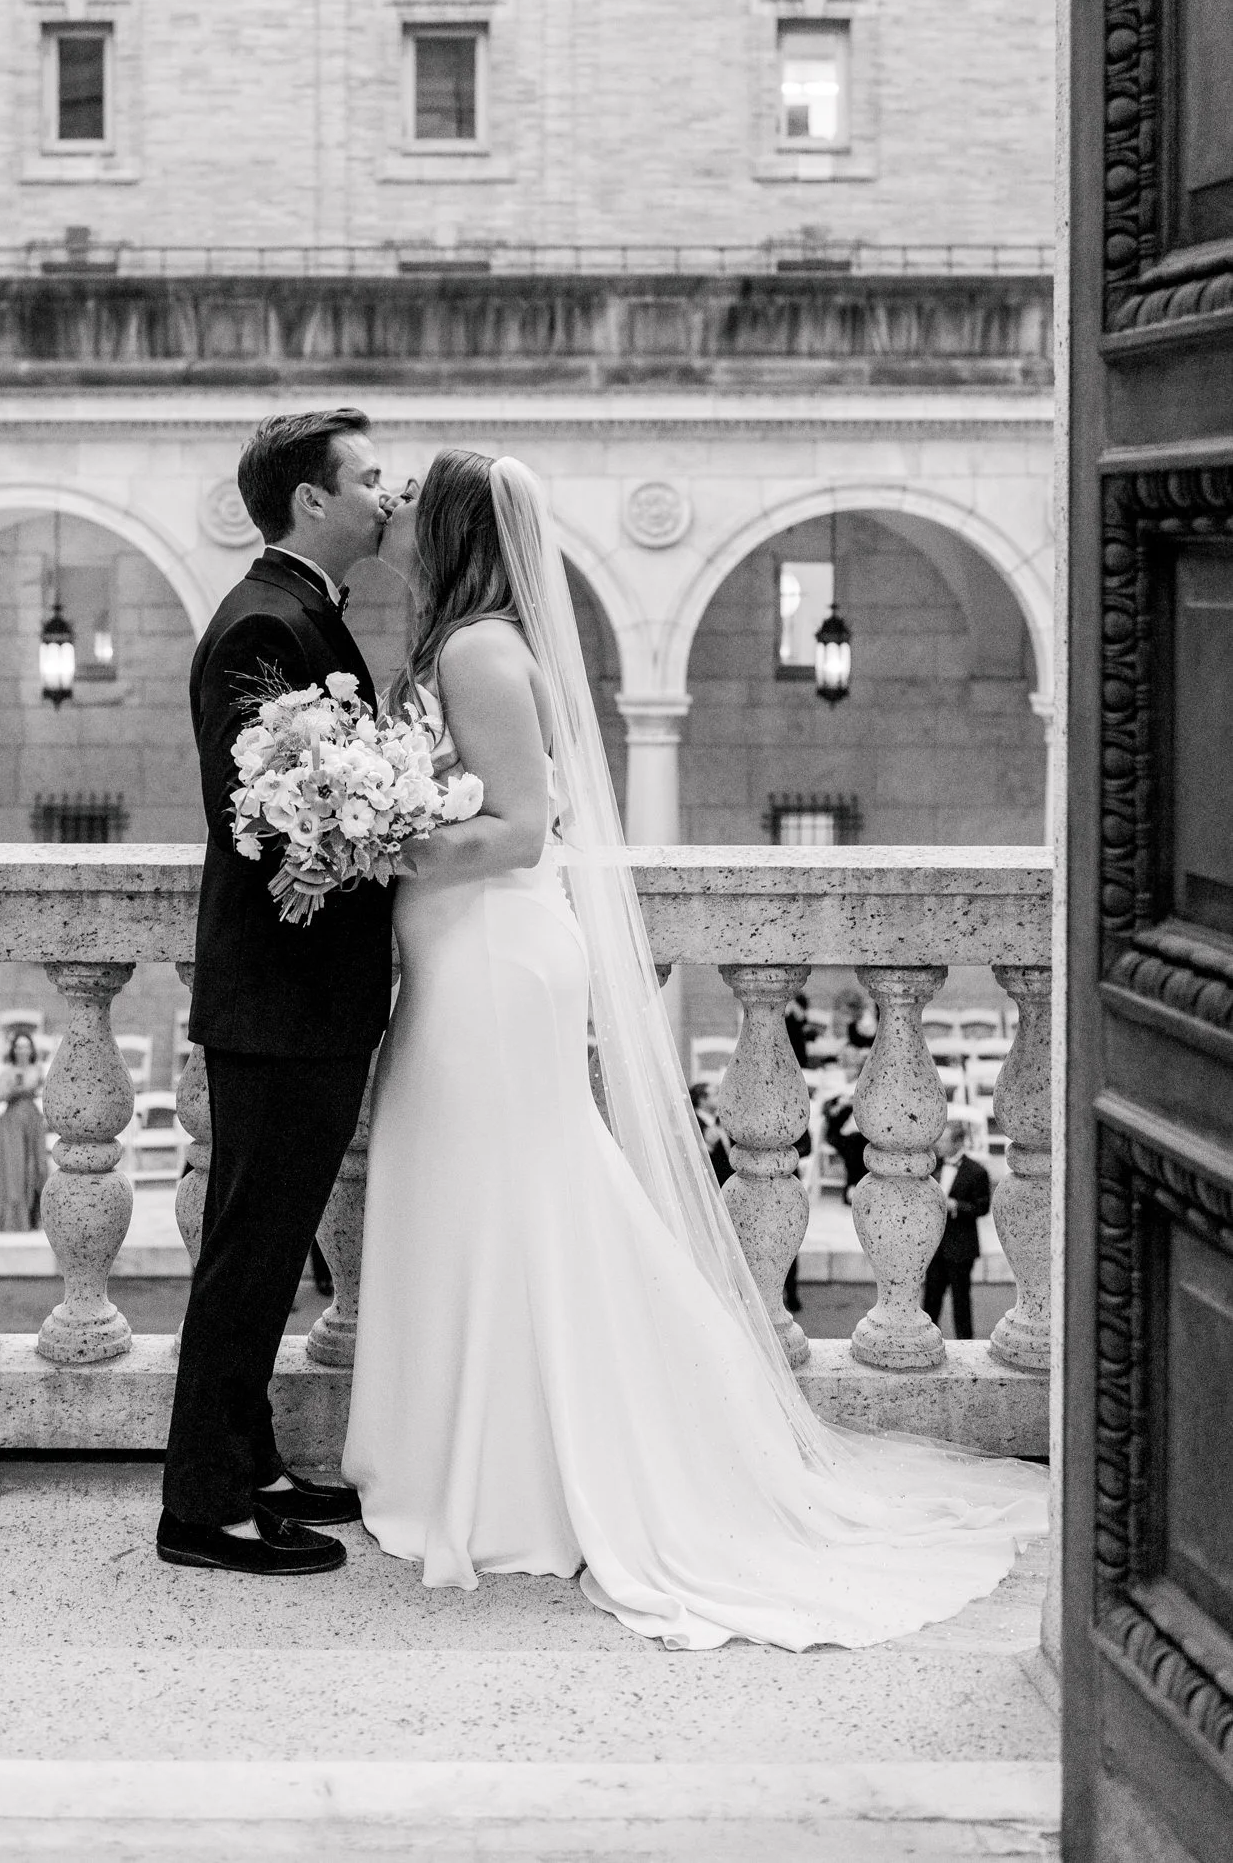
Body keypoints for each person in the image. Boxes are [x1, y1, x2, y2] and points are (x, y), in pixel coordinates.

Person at [343, 448, 1045, 1649]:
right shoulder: (470, 640)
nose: (391, 509)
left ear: (451, 531)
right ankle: (486, 1448)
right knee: (490, 1197)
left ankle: (515, 1471)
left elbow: (516, 832)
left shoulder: (474, 650)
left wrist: (377, 837)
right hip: (472, 954)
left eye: (411, 502)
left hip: (490, 956)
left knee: (509, 1196)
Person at [158, 407, 395, 1580]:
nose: (386, 495)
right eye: (368, 477)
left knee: (264, 1246)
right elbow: (257, 814)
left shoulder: (301, 609)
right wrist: (382, 819)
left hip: (302, 999)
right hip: (279, 1000)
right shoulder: (263, 621)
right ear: (311, 499)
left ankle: (247, 1467)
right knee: (248, 1258)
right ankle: (200, 1511)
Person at [922, 1119, 992, 1341]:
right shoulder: (933, 1167)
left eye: (943, 1141)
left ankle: (966, 1344)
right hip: (935, 1246)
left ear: (958, 1142)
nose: (939, 1145)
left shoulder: (977, 1172)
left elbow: (982, 1207)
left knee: (961, 1302)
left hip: (961, 1247)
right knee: (930, 1300)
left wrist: (956, 1206)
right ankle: (925, 1342)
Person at [0, 1029, 49, 1231]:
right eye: (19, 1046)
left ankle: (36, 1215)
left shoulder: (37, 1070)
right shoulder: (7, 1072)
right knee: (15, 1166)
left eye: (26, 1046)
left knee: (36, 1165)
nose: (22, 1050)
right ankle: (15, 1219)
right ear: (14, 1049)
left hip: (32, 1119)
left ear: (31, 1049)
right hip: (13, 1120)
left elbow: (41, 1088)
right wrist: (15, 1089)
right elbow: (0, 1094)